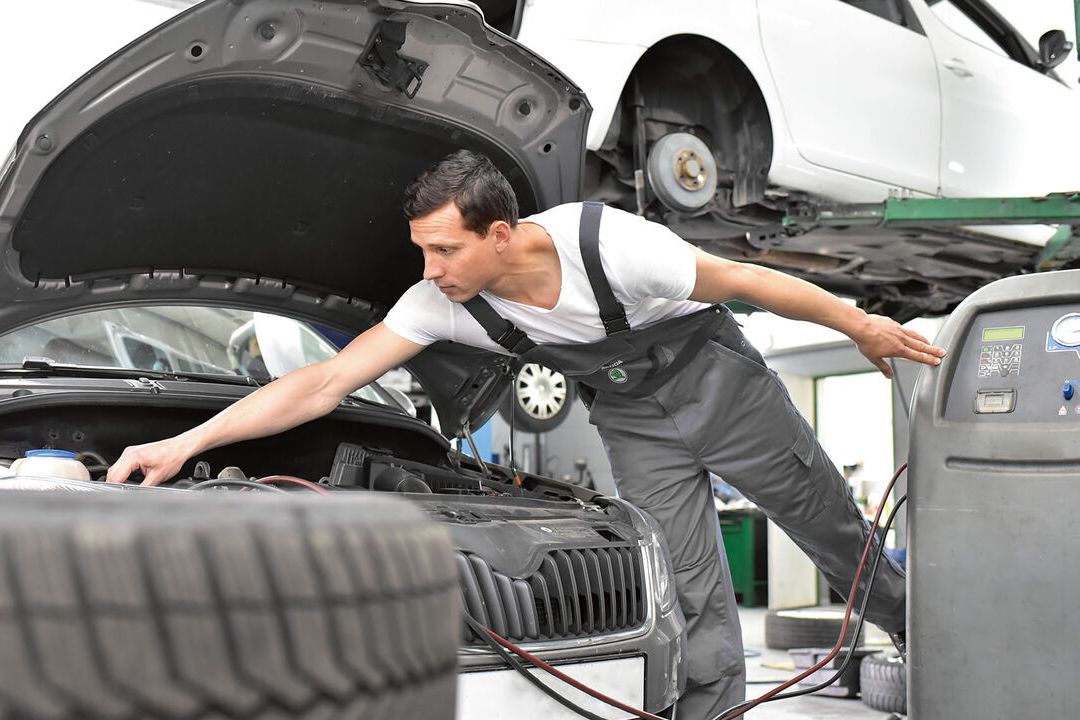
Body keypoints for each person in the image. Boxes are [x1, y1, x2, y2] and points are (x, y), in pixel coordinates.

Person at [107, 149, 945, 717]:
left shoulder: (608, 244)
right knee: (687, 583)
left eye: (443, 249)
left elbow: (748, 280)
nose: (428, 269)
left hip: (721, 383)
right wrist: (188, 445)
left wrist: (859, 324)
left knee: (828, 526)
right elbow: (326, 380)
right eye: (421, 250)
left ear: (499, 234)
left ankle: (928, 643)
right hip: (629, 417)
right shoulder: (440, 300)